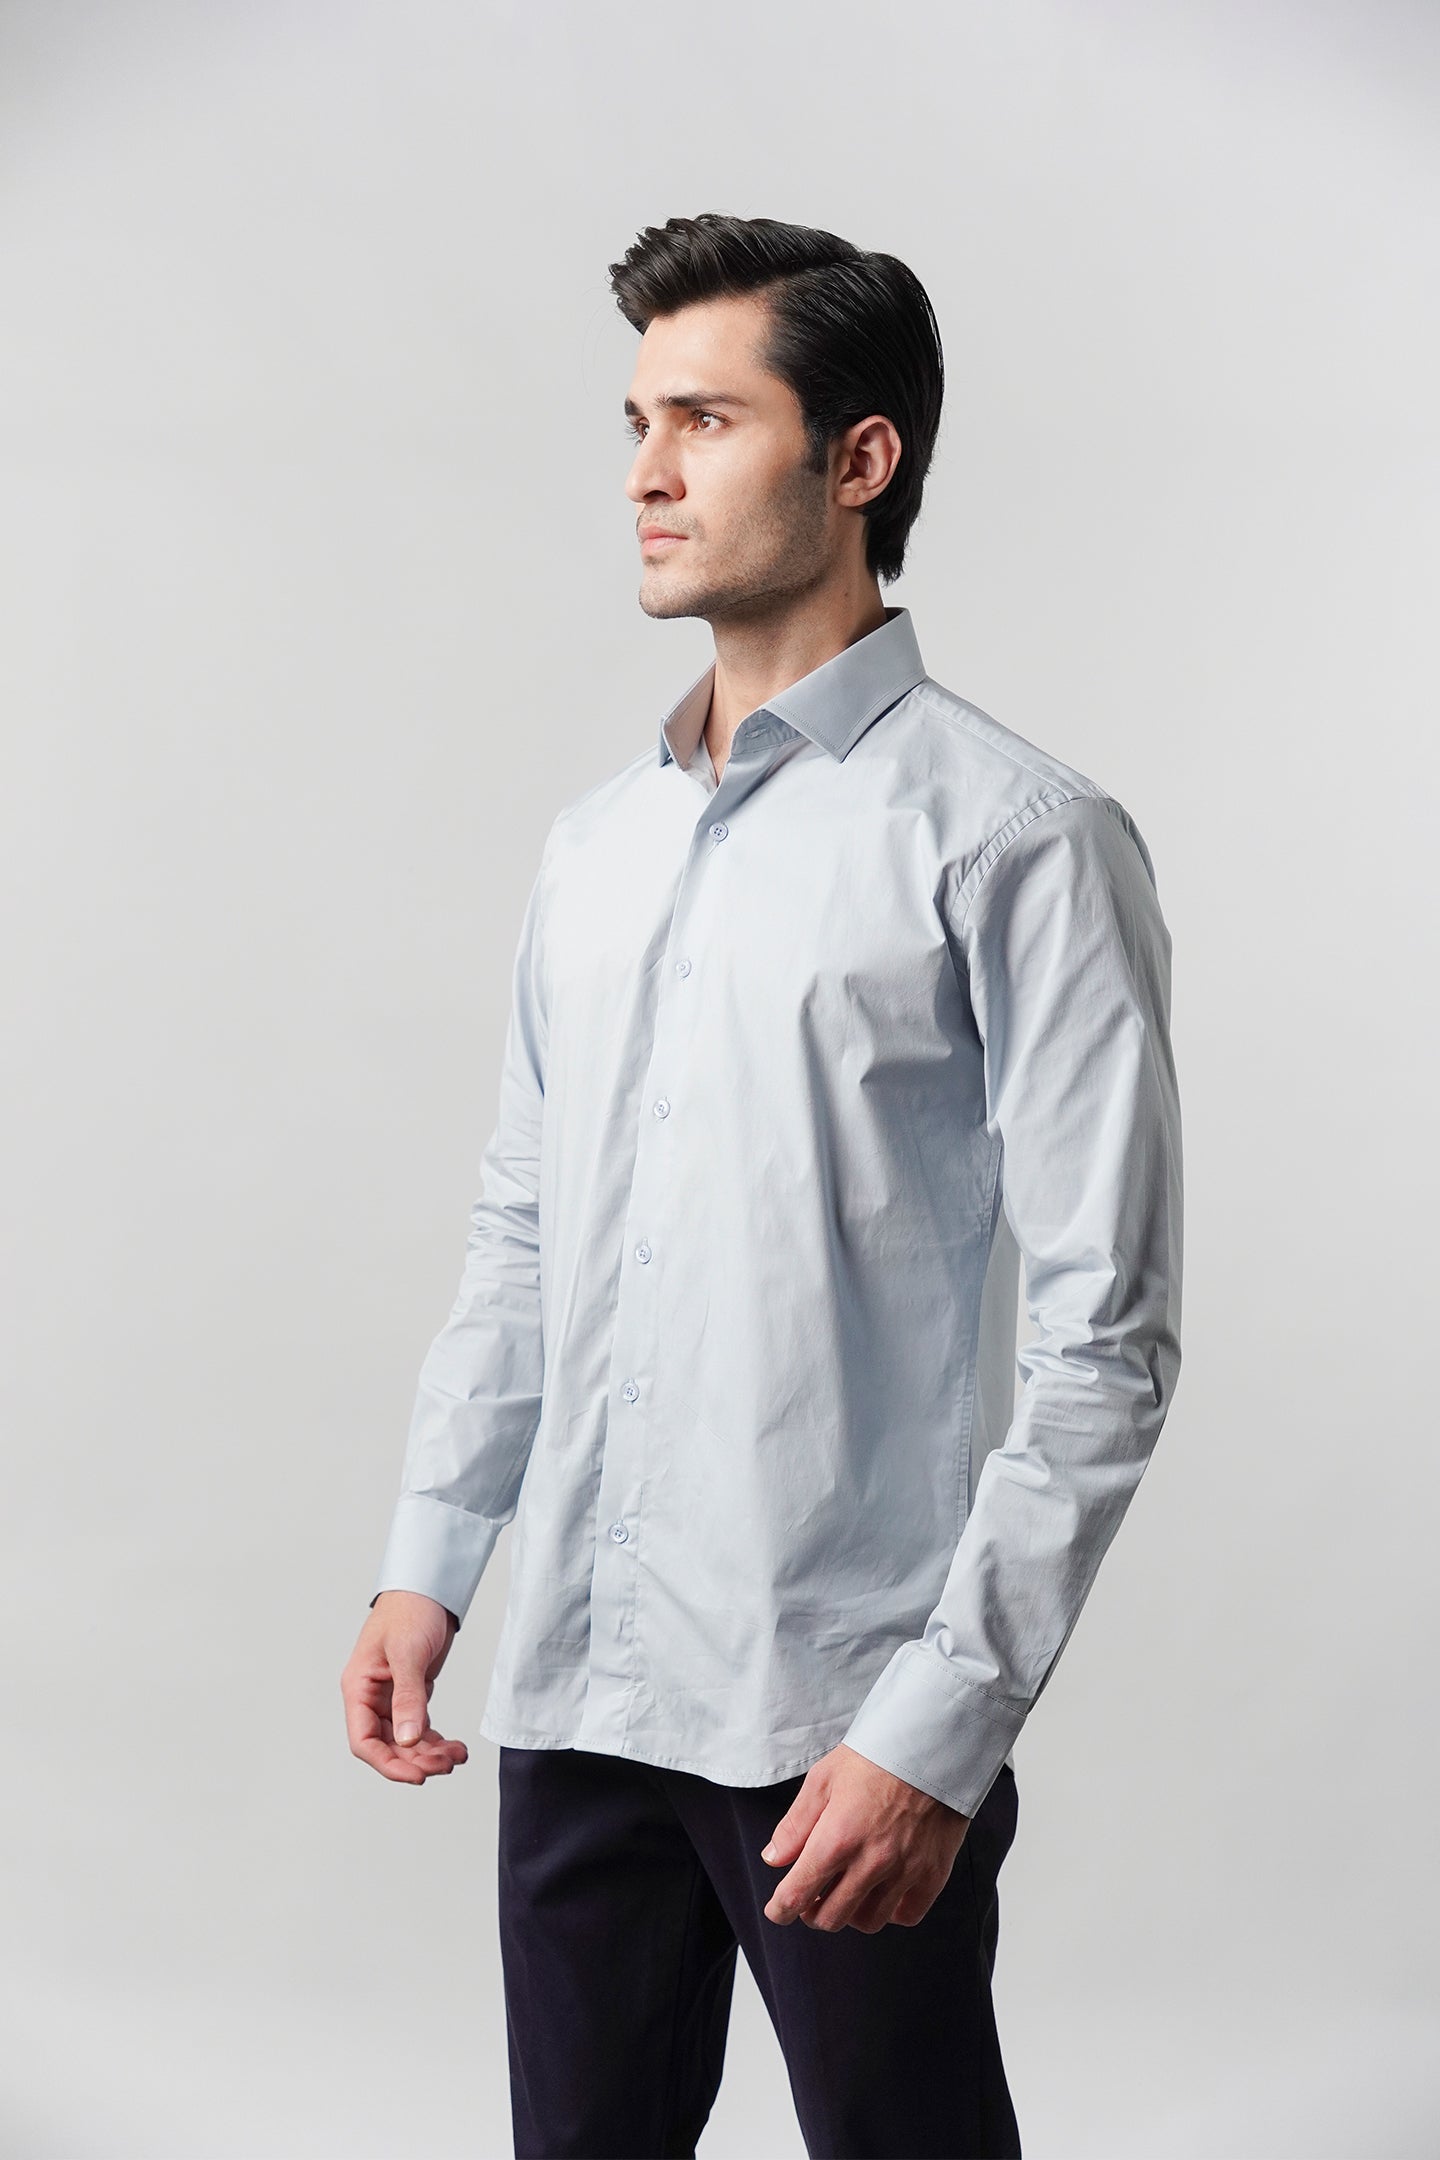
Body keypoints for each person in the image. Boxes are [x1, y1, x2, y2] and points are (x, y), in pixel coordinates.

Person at [340, 212, 1183, 2160]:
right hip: (575, 1690)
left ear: (859, 459)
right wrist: (429, 1557)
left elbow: (1107, 1344)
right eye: (637, 422)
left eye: (705, 420)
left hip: (839, 1712)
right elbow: (526, 1231)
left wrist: (940, 1728)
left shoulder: (1021, 840)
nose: (646, 471)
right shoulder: (596, 846)